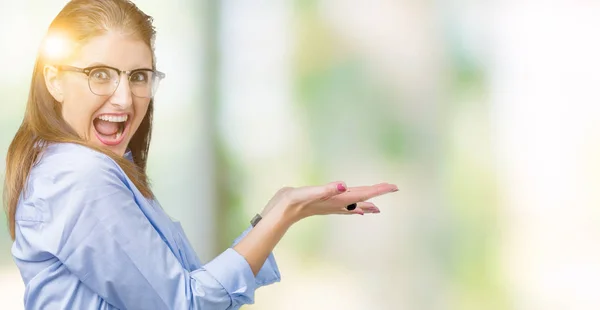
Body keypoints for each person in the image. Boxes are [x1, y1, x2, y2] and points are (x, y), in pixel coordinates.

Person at [3, 0, 399, 309]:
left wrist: (278, 214)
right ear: (54, 79)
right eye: (99, 74)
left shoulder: (83, 169)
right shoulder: (80, 176)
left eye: (138, 77)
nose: (124, 99)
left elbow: (189, 288)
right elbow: (183, 304)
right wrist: (281, 216)